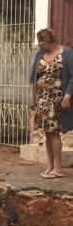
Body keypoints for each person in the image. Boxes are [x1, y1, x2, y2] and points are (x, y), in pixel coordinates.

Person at [29, 28, 73, 179]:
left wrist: (67, 96)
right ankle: (51, 166)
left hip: (56, 100)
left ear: (48, 41)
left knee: (54, 133)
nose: (38, 45)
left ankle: (58, 169)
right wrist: (31, 97)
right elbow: (32, 77)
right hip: (42, 99)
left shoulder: (66, 54)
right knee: (47, 133)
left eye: (40, 41)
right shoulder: (40, 54)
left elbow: (72, 77)